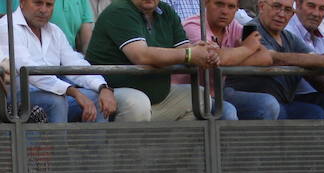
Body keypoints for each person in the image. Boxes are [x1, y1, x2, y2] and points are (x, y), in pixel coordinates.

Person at [0, 0, 136, 121]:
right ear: (22, 2)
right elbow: (29, 71)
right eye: (38, 3)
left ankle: (95, 154)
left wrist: (103, 87)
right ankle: (60, 153)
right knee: (56, 101)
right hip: (17, 97)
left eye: (49, 5)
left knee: (95, 97)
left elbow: (75, 63)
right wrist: (74, 92)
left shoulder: (54, 30)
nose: (43, 10)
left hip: (54, 91)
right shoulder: (6, 27)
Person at [84, 0, 221, 120]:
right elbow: (141, 56)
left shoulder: (166, 11)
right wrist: (190, 54)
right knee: (137, 104)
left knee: (200, 98)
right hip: (109, 91)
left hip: (157, 96)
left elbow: (183, 48)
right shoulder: (119, 10)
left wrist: (204, 51)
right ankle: (125, 149)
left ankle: (172, 149)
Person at [228, 0, 324, 120]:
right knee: (311, 113)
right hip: (256, 101)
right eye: (276, 6)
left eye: (288, 10)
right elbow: (271, 58)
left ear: (292, 14)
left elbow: (312, 61)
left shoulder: (289, 37)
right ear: (261, 6)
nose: (281, 14)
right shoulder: (250, 29)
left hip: (283, 101)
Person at [182, 0, 274, 120]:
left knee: (268, 104)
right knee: (227, 111)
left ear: (237, 9)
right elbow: (210, 57)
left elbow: (265, 57)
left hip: (218, 92)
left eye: (231, 6)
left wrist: (230, 57)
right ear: (206, 3)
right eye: (219, 4)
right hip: (190, 94)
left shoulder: (233, 25)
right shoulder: (193, 25)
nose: (225, 11)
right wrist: (246, 49)